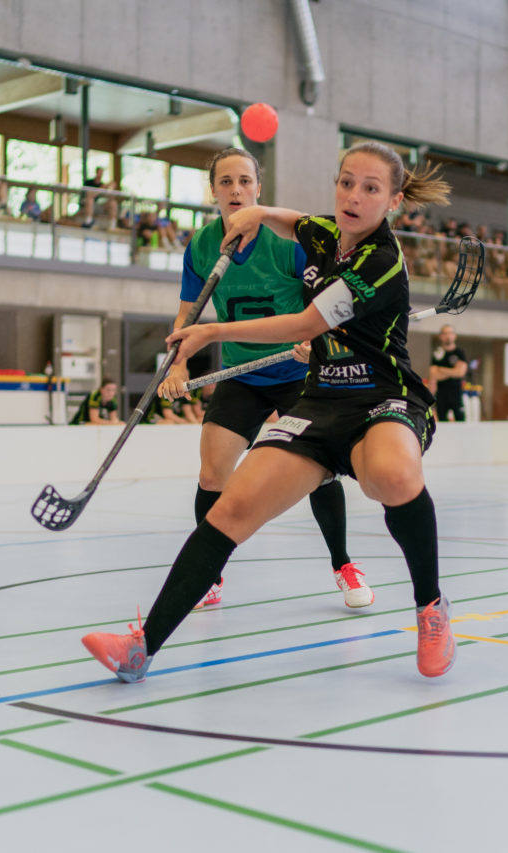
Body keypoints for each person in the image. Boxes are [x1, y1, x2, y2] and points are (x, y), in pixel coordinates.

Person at [81, 141, 457, 683]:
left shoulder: (379, 261)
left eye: (370, 188)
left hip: (383, 397)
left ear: (394, 200)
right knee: (229, 508)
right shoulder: (328, 234)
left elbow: (306, 325)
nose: (353, 196)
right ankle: (141, 648)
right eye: (346, 182)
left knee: (390, 476)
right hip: (320, 401)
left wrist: (211, 331)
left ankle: (431, 607)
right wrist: (256, 212)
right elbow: (296, 221)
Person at [157, 147, 373, 611]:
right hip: (242, 377)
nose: (236, 190)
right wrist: (176, 366)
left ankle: (343, 564)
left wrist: (316, 338)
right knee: (212, 473)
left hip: (299, 376)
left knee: (318, 473)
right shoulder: (200, 247)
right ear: (213, 191)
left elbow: (330, 305)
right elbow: (187, 317)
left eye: (244, 182)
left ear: (259, 189)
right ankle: (209, 577)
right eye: (226, 182)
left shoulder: (288, 246)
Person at [429, 324, 468, 422]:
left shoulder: (460, 353)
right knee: (442, 422)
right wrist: (452, 371)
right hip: (441, 394)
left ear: (454, 336)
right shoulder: (437, 354)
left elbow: (460, 372)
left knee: (461, 422)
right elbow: (434, 374)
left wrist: (441, 369)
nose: (448, 336)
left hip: (456, 393)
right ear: (441, 336)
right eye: (445, 333)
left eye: (450, 333)